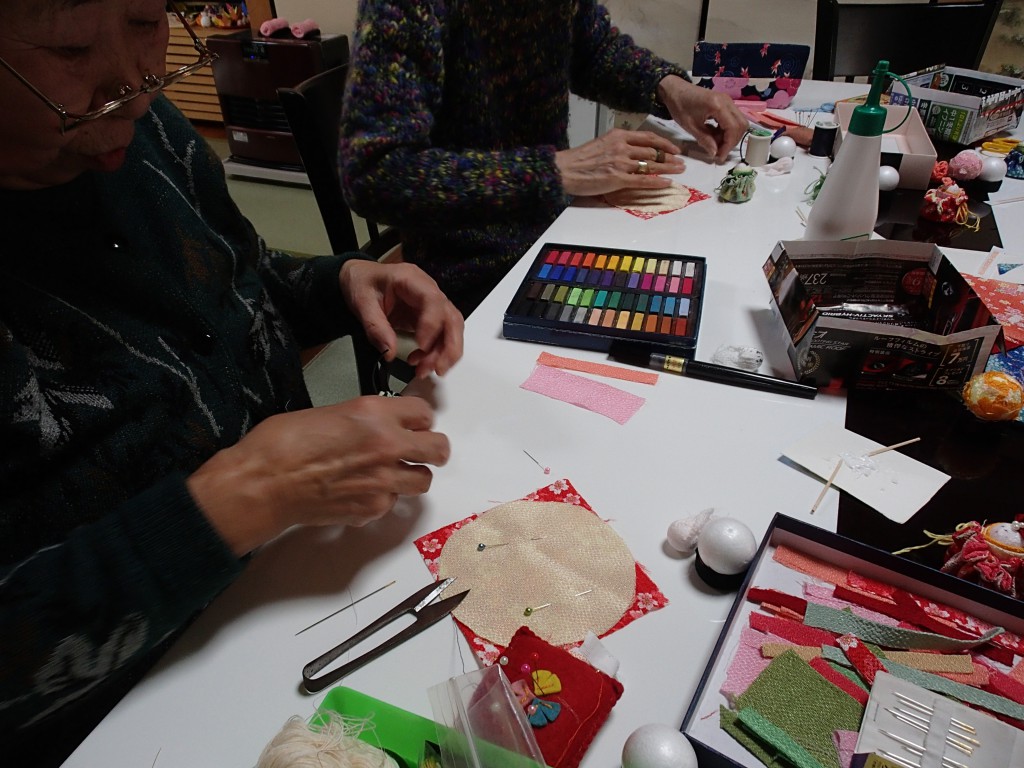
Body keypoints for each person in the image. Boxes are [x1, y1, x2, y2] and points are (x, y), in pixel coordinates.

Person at [0, 2, 464, 763]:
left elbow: (234, 277)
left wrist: (341, 283)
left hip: (298, 582)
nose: (136, 91)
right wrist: (241, 497)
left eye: (147, 22)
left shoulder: (141, 130)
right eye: (70, 49)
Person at [339, 0, 749, 315]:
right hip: (469, 269)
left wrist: (670, 87)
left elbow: (592, 50)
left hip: (556, 229)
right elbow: (376, 173)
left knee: (697, 292)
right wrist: (554, 171)